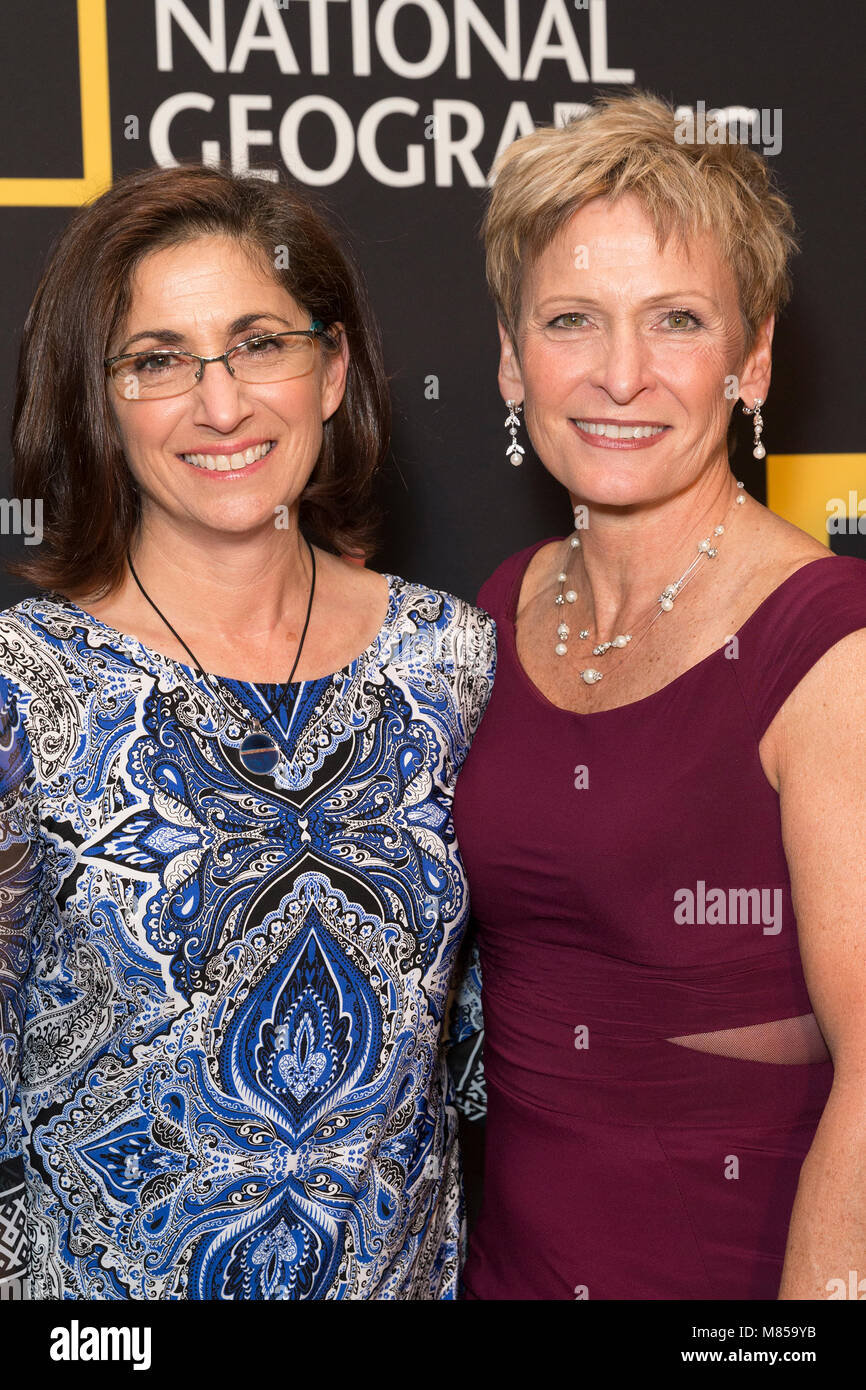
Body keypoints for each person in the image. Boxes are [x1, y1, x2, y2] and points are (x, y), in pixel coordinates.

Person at [0, 163, 495, 1300]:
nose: (220, 405)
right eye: (159, 360)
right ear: (98, 399)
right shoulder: (26, 689)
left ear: (331, 369)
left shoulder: (452, 664)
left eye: (260, 343)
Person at [451, 91, 866, 1300]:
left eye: (675, 321)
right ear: (507, 354)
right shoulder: (502, 601)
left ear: (753, 358)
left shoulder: (828, 649)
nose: (619, 375)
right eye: (571, 319)